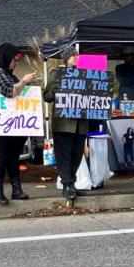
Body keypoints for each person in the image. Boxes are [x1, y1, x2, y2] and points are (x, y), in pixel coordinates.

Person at [0, 43, 36, 205]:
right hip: (1, 124)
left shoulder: (10, 76)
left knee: (14, 157)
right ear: (5, 58)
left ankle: (16, 189)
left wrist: (29, 86)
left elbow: (22, 95)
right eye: (14, 60)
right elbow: (10, 92)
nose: (15, 63)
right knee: (2, 156)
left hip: (15, 124)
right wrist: (24, 82)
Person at [43, 46, 89, 201]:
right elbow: (46, 96)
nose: (76, 58)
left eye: (77, 56)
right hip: (63, 123)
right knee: (64, 154)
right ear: (66, 58)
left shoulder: (84, 75)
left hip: (80, 122)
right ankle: (66, 184)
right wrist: (56, 90)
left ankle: (72, 183)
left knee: (76, 155)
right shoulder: (56, 73)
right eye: (73, 56)